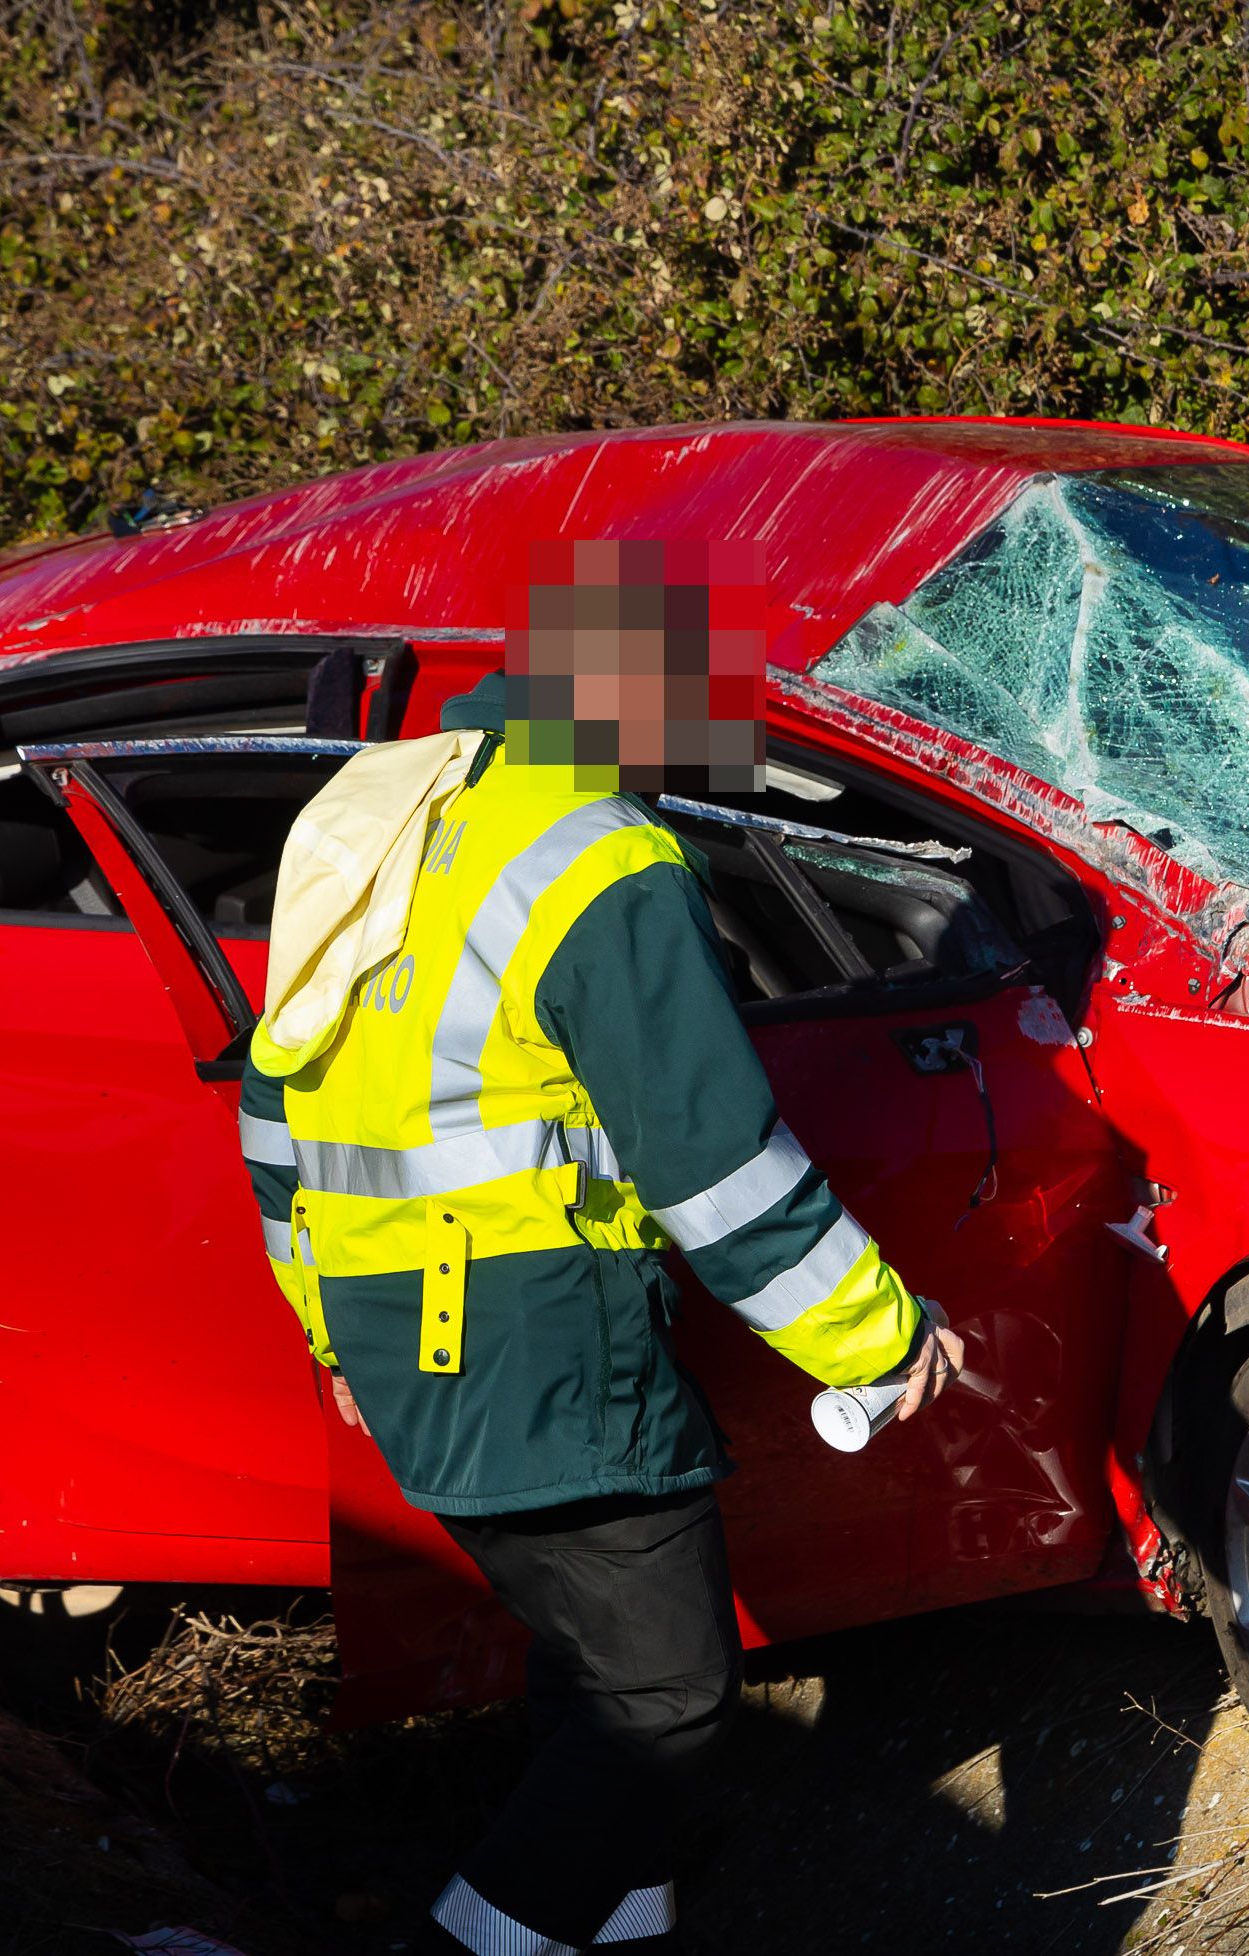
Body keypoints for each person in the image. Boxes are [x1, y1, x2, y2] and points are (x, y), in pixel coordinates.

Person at [242, 539, 965, 1954]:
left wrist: (326, 1322)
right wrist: (878, 1336)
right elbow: (714, 1165)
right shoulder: (600, 860)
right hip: (541, 1336)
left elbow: (276, 1112)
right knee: (672, 1718)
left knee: (591, 1693)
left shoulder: (386, 822)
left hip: (403, 1340)